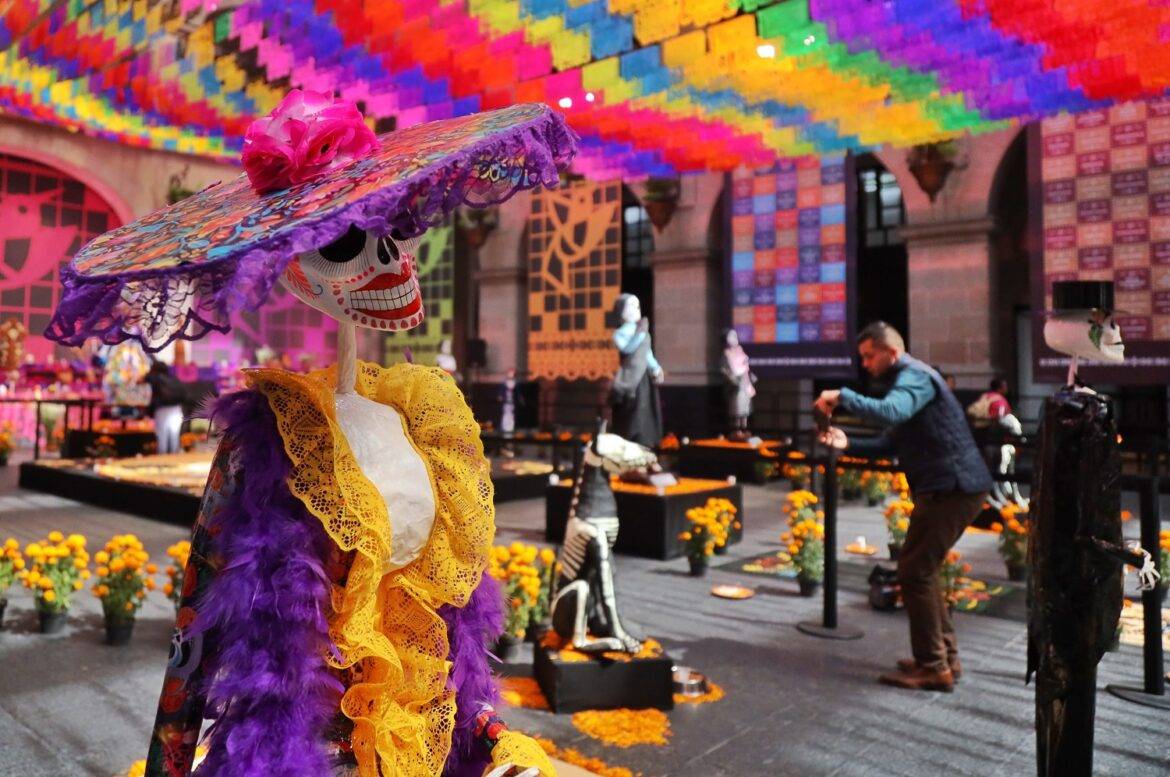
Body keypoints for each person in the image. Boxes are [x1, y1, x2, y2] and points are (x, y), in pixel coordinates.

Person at [814, 321, 992, 692]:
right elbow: (890, 442)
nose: (864, 364)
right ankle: (944, 659)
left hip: (951, 487)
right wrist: (849, 445)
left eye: (868, 356)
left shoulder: (914, 377)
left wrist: (842, 395)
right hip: (949, 487)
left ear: (891, 352)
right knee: (921, 570)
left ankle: (934, 666)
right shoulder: (909, 382)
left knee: (915, 572)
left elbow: (890, 413)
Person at [609, 293, 664, 446]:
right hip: (630, 379)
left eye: (637, 305)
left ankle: (645, 450)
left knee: (645, 416)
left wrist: (656, 368)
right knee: (631, 417)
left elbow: (648, 354)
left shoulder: (642, 330)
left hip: (644, 379)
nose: (636, 309)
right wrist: (639, 334)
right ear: (621, 311)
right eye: (631, 306)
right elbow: (628, 349)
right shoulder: (619, 333)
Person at [144, 359, 186, 455]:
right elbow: (184, 394)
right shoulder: (174, 379)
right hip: (176, 409)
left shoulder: (156, 378)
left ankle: (162, 463)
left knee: (162, 437)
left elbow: (146, 378)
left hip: (162, 410)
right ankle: (175, 462)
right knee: (174, 437)